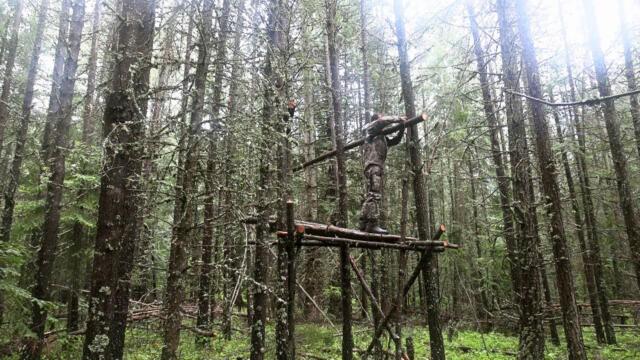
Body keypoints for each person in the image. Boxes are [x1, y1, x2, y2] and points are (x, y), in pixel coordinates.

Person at [359, 113, 407, 234]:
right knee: (374, 194)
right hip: (373, 165)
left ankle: (364, 223)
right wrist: (398, 119)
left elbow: (394, 141)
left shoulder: (379, 136)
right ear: (376, 121)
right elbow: (381, 121)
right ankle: (372, 223)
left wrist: (402, 128)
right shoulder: (370, 128)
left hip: (374, 166)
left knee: (371, 194)